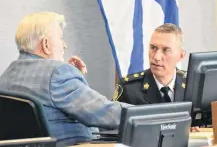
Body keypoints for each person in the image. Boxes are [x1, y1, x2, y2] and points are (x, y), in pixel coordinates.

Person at [0, 12, 131, 146]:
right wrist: (147, 114)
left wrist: (75, 82)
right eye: (61, 38)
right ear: (46, 44)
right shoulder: (57, 73)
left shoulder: (7, 75)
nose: (64, 45)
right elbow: (102, 112)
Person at [113, 23, 187, 105]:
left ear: (181, 55)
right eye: (153, 48)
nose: (156, 57)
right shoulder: (129, 88)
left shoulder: (193, 87)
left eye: (166, 50)